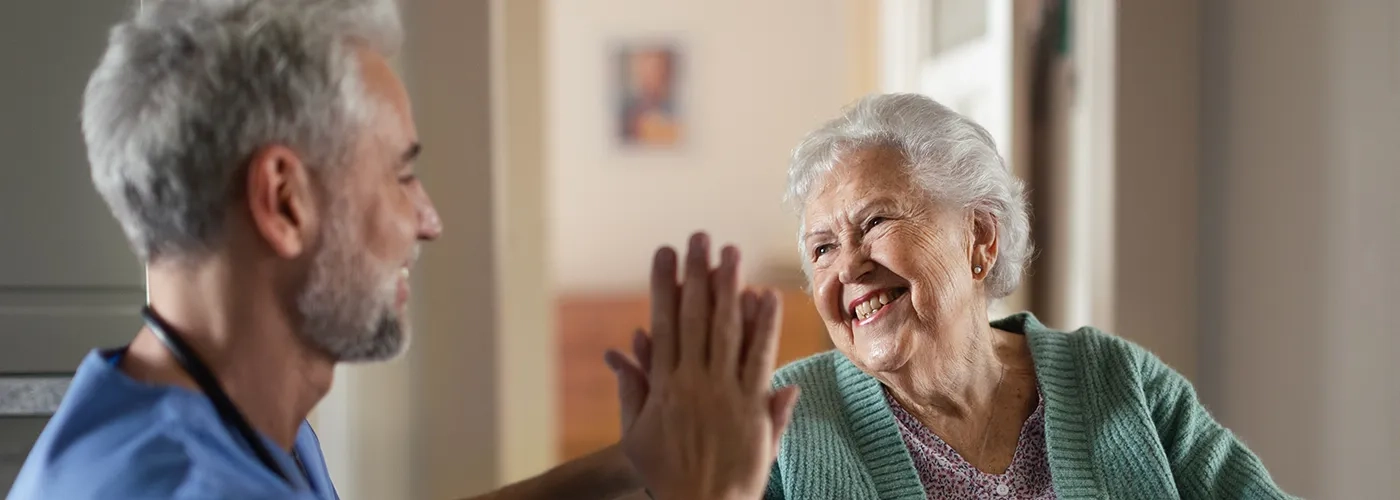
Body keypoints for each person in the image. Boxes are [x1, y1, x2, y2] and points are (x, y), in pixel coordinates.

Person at [6, 0, 794, 498]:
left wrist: (632, 463)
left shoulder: (181, 411)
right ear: (284, 200)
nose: (428, 219)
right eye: (402, 175)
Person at [754, 93, 1294, 498]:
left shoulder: (1118, 382)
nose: (847, 265)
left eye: (874, 221)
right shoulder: (788, 422)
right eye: (821, 249)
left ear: (980, 238)